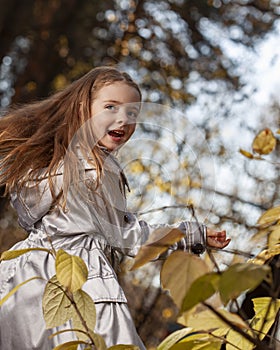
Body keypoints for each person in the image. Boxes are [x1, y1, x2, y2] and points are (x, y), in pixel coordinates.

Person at [0, 66, 230, 349]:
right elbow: (128, 236)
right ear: (84, 108)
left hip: (26, 279)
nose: (123, 119)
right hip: (81, 282)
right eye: (111, 107)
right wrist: (190, 235)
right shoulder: (93, 168)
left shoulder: (55, 166)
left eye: (132, 113)